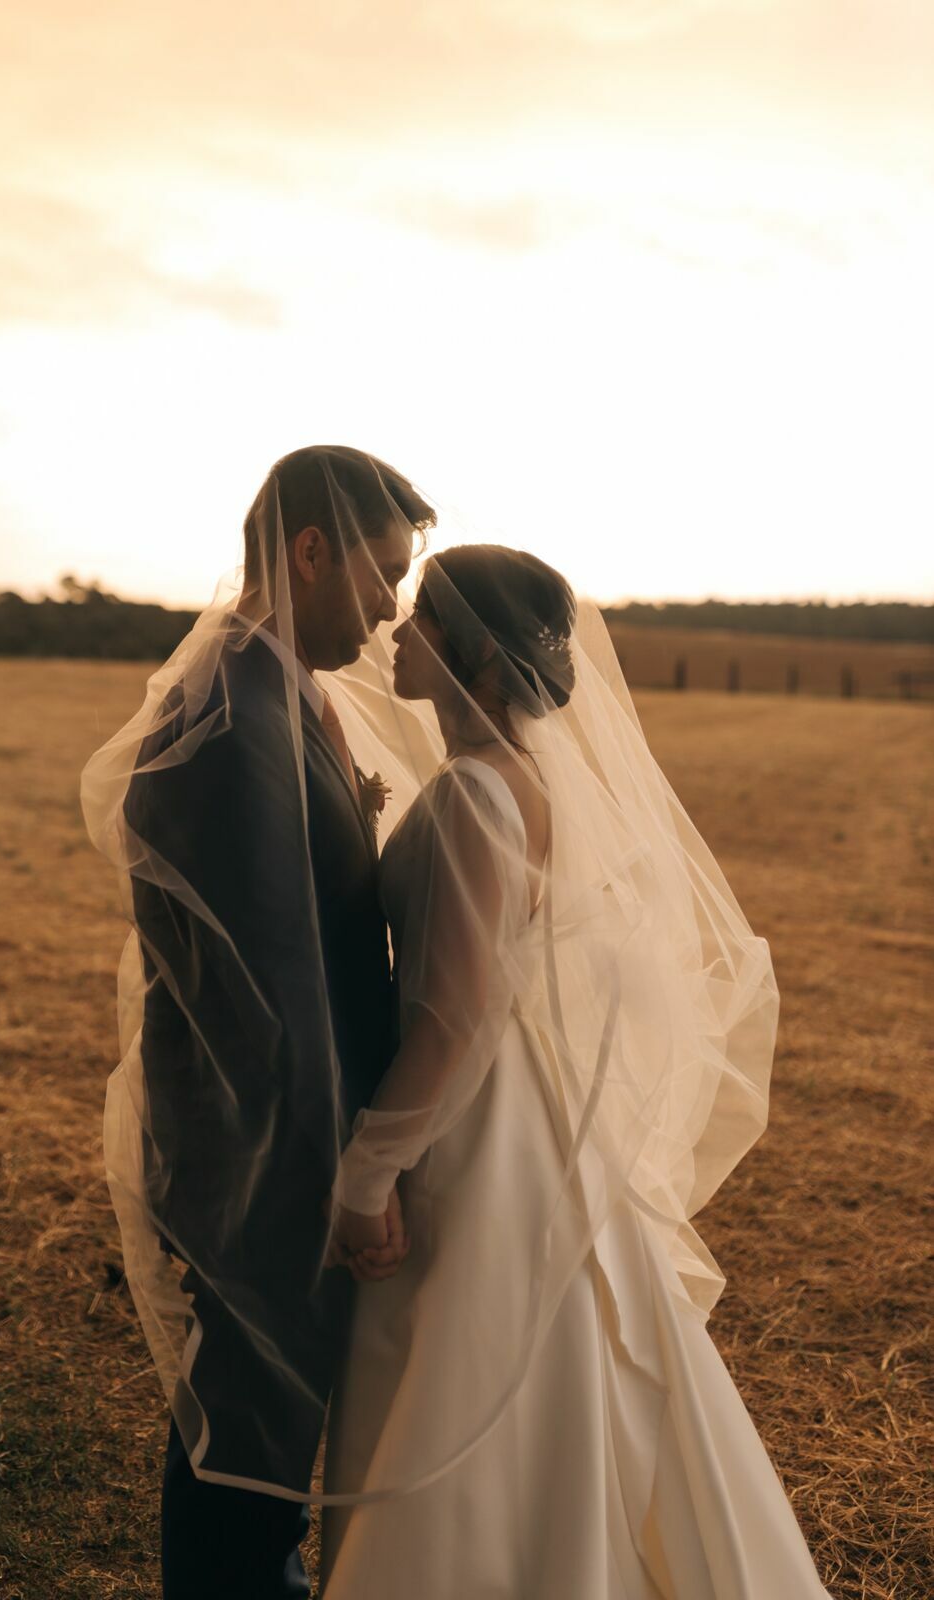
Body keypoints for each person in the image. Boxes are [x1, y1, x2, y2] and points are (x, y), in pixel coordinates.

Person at [319, 545, 834, 1598]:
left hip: (472, 1130)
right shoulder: (520, 779)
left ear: (475, 655)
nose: (395, 632)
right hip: (532, 1114)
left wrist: (367, 1173)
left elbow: (456, 1016)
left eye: (419, 618)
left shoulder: (472, 796)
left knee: (454, 1368)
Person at [81, 445, 434, 1599]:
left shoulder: (284, 685)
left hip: (285, 1138)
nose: (391, 609)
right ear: (309, 551)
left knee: (266, 1432)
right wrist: (346, 1172)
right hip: (263, 1146)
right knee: (243, 1439)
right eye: (380, 574)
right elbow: (272, 992)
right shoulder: (231, 716)